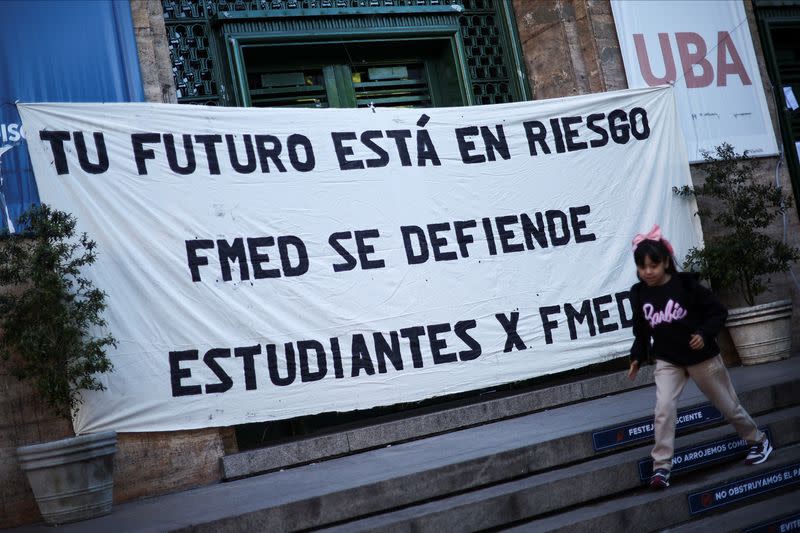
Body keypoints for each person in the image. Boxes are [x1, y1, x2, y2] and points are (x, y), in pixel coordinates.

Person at [626, 224, 772, 489]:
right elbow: (641, 328)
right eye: (642, 266)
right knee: (663, 410)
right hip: (668, 359)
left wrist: (704, 334)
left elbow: (718, 312)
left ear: (667, 262)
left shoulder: (686, 286)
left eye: (653, 265)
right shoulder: (639, 293)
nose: (647, 272)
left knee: (728, 405)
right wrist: (637, 356)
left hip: (701, 357)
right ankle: (661, 468)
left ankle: (758, 440)